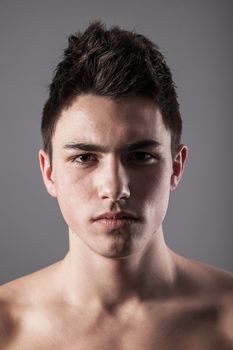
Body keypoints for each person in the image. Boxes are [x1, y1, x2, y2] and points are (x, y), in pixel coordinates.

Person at [0, 21, 232, 349]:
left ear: (176, 167)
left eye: (140, 155)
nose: (114, 187)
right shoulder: (6, 327)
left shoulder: (227, 319)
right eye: (85, 158)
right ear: (49, 172)